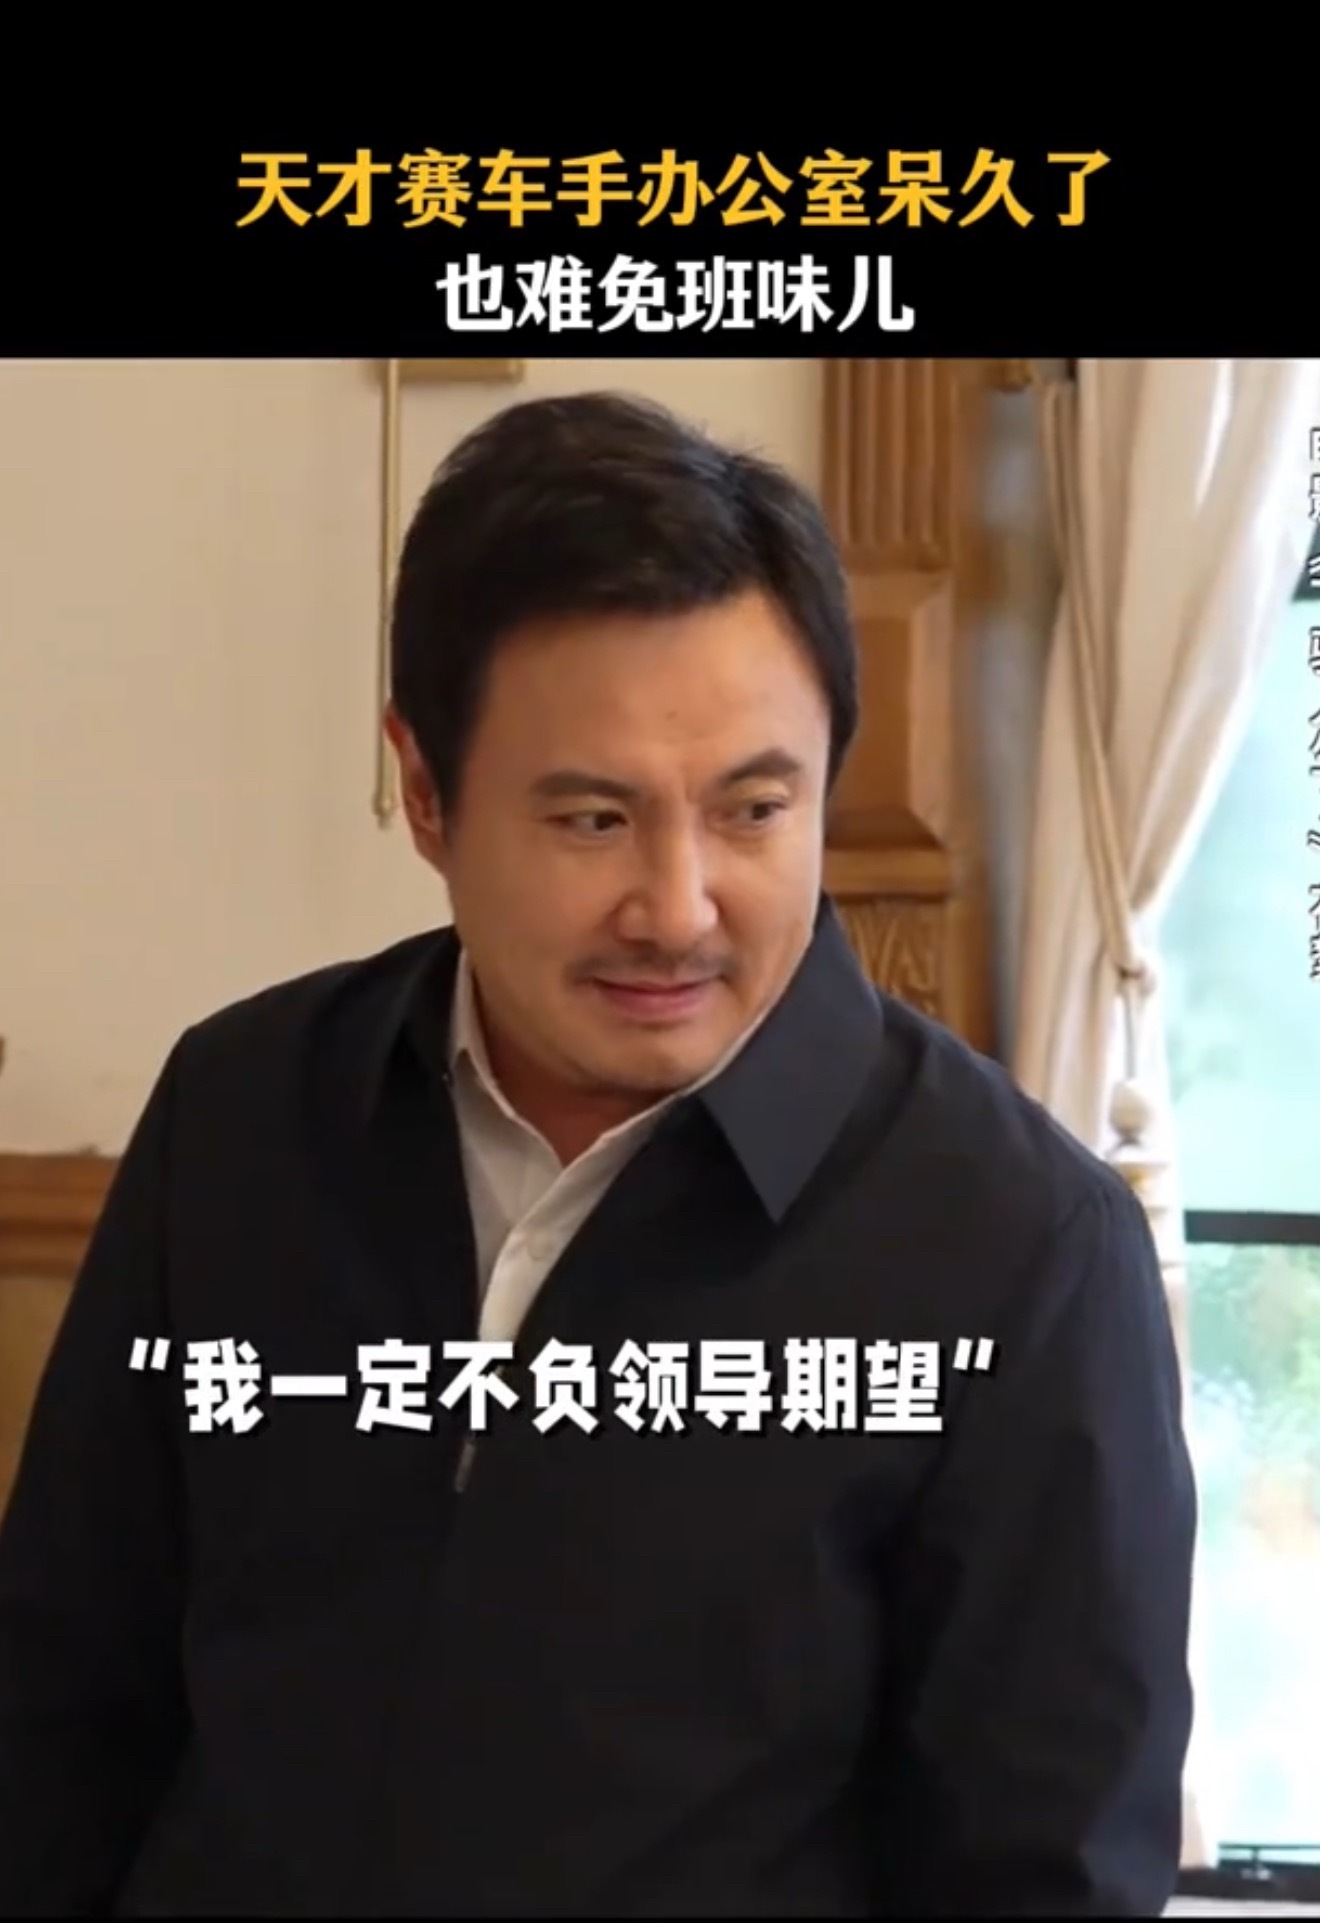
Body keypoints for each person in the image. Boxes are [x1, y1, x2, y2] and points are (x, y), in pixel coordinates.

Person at [0, 391, 1196, 1916]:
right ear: (424, 790)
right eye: (591, 820)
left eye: (754, 809)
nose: (678, 908)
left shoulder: (1018, 1244)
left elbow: (1043, 1875)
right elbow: (61, 1698)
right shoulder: (242, 1110)